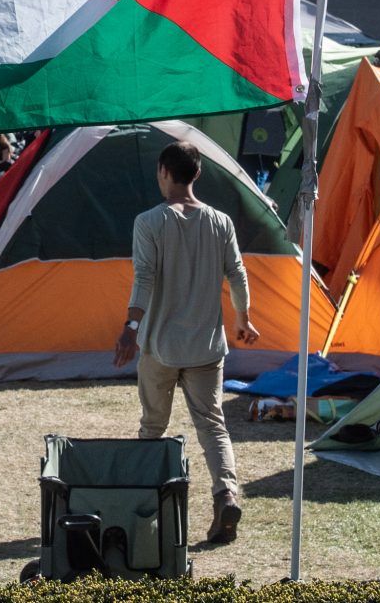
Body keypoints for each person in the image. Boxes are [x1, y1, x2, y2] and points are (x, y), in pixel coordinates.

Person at [112, 140, 256, 546]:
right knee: (213, 425)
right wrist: (244, 318)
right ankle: (226, 494)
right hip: (208, 347)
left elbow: (144, 278)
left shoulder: (149, 222)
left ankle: (143, 511)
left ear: (163, 171)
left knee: (152, 427)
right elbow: (238, 275)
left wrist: (130, 327)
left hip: (160, 347)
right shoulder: (220, 221)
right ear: (197, 174)